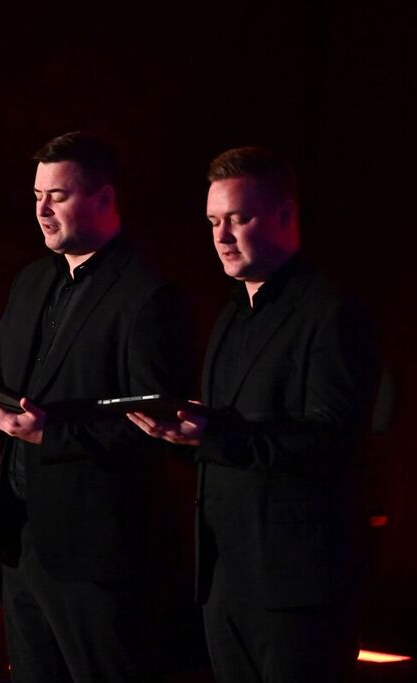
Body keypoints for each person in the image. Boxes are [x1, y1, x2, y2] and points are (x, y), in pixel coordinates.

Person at [0, 131, 190, 682]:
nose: (41, 210)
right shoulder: (30, 281)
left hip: (97, 553)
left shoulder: (147, 295)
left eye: (58, 196)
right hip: (23, 540)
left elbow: (155, 425)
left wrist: (50, 435)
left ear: (103, 198)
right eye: (37, 196)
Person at [128, 147, 380, 682]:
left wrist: (211, 435)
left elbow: (332, 443)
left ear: (285, 215)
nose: (221, 237)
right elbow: (228, 434)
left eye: (238, 219)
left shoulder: (332, 311)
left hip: (299, 587)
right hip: (225, 580)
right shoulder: (230, 313)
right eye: (213, 222)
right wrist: (179, 433)